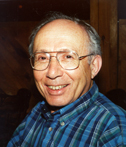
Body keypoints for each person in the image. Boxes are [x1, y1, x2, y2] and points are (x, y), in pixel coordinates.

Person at [7, 12, 126, 147]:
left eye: (68, 57)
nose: (52, 72)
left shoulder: (114, 131)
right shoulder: (38, 112)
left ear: (93, 66)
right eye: (42, 58)